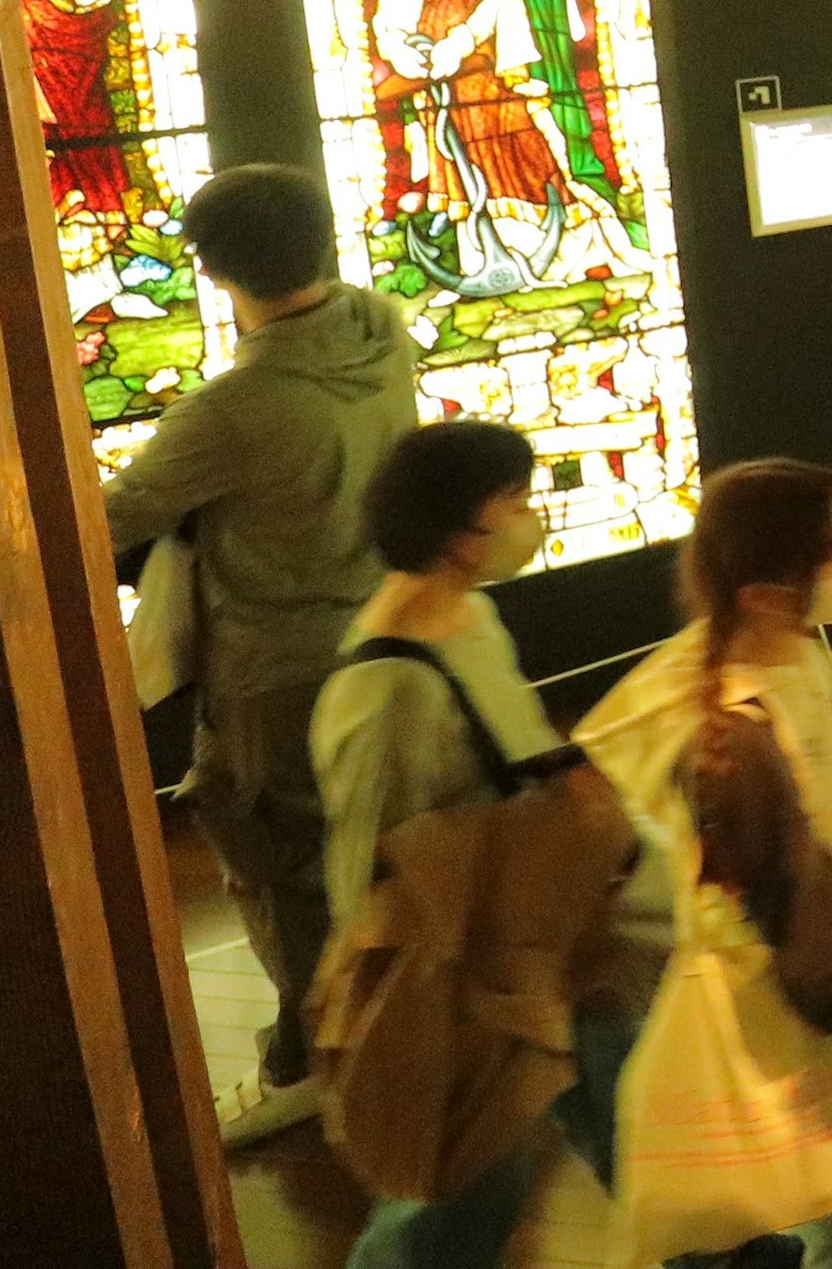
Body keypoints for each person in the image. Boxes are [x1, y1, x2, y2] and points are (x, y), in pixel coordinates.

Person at [580, 461, 832, 1269]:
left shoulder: (792, 656)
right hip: (818, 1015)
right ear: (765, 592)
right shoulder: (739, 738)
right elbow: (798, 903)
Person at [103, 159, 419, 1144]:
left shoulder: (232, 408)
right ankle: (400, 1032)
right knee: (368, 844)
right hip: (385, 635)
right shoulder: (379, 325)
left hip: (272, 668)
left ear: (211, 268)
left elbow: (108, 513)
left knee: (276, 863)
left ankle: (304, 1058)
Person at [315, 419, 626, 1269]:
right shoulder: (388, 685)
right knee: (458, 1180)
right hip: (463, 968)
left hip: (528, 933)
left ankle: (710, 1243)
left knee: (613, 1095)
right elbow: (370, 865)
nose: (534, 516)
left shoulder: (469, 618)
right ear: (458, 528)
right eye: (515, 500)